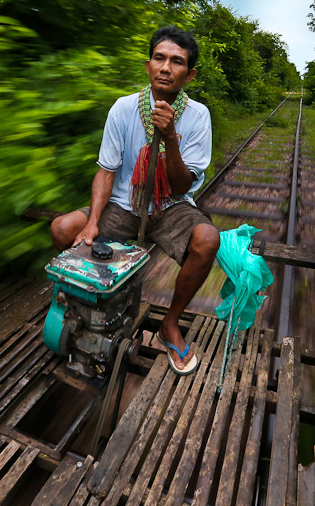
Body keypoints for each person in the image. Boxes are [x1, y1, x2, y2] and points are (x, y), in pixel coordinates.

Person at [51, 25, 220, 375]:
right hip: (124, 203)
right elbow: (106, 170)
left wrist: (170, 137)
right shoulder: (124, 108)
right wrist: (95, 221)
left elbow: (180, 187)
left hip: (170, 207)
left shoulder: (199, 116)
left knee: (208, 240)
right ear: (148, 66)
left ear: (189, 75)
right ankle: (81, 307)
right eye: (159, 58)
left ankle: (170, 323)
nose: (165, 67)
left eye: (176, 62)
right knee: (63, 228)